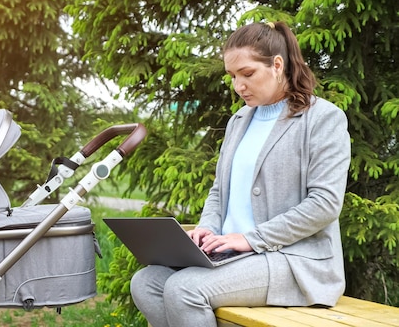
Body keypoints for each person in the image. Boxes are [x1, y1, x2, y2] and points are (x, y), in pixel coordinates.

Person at [130, 21, 351, 327]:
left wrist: (251, 239)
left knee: (184, 289)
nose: (238, 86)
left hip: (294, 261)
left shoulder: (323, 118)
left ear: (277, 65)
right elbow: (220, 191)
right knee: (147, 281)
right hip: (234, 256)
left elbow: (324, 205)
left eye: (247, 74)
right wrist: (207, 229)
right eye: (232, 76)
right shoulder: (240, 120)